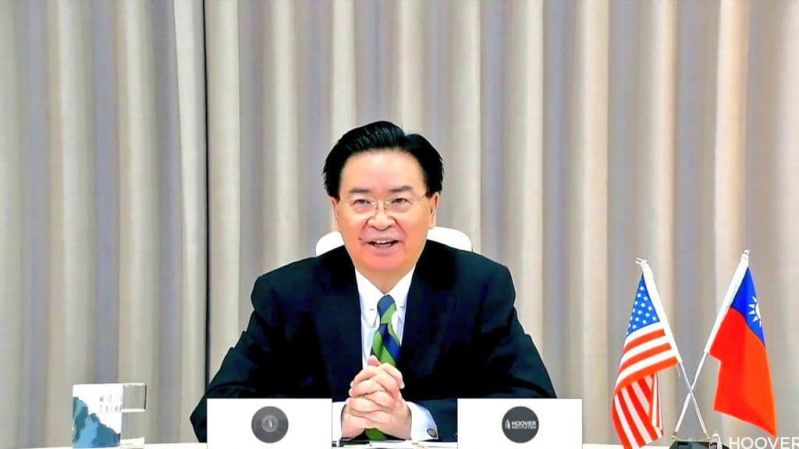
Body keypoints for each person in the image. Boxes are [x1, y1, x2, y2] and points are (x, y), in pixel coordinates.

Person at [189, 120, 556, 443]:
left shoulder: (478, 288)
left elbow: (537, 411)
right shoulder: (288, 294)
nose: (380, 220)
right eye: (362, 202)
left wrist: (414, 420)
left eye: (399, 201)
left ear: (432, 208)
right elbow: (213, 415)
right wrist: (339, 420)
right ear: (337, 211)